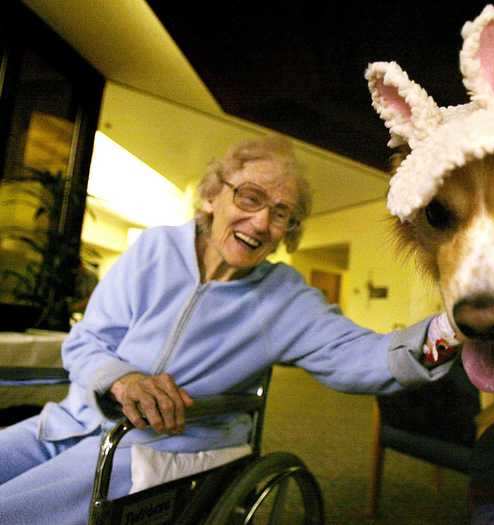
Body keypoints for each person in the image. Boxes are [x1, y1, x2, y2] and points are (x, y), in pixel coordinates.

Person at [0, 135, 459, 524]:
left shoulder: (285, 297)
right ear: (212, 196)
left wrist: (452, 329)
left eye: (281, 213)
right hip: (74, 420)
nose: (261, 222)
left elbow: (364, 358)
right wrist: (120, 378)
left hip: (169, 445)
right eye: (250, 198)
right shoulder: (154, 249)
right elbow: (87, 341)